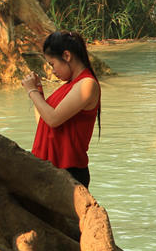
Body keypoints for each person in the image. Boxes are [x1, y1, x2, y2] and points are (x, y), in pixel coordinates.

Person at [22, 31, 101, 188]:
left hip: (69, 172)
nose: (52, 70)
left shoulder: (87, 84)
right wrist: (38, 91)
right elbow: (44, 122)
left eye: (52, 64)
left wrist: (31, 91)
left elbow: (53, 119)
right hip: (49, 169)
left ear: (66, 56)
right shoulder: (69, 86)